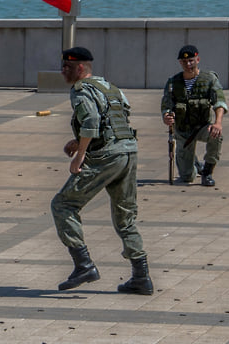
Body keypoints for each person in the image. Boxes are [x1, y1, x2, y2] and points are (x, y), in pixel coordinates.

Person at [51, 47, 153, 295]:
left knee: (63, 205)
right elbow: (116, 118)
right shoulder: (110, 87)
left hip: (106, 156)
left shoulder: (80, 90)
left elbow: (92, 121)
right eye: (63, 66)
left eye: (67, 67)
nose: (63, 70)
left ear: (81, 68)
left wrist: (81, 155)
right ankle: (142, 277)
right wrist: (79, 141)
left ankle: (83, 264)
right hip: (128, 151)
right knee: (125, 218)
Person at [161, 44, 228, 186]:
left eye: (191, 60)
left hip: (202, 127)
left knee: (216, 135)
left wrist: (218, 123)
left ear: (198, 60)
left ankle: (207, 172)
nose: (188, 64)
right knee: (187, 177)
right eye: (184, 62)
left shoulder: (209, 79)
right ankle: (195, 164)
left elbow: (220, 102)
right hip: (183, 132)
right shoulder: (173, 83)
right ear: (180, 63)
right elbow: (166, 105)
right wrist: (167, 116)